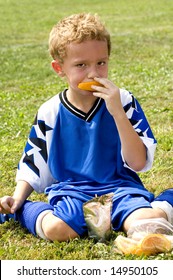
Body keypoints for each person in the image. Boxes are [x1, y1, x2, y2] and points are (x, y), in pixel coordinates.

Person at [0, 13, 173, 251]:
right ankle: (21, 212)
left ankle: (163, 203)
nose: (94, 73)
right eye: (81, 65)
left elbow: (138, 161)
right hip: (72, 191)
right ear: (59, 68)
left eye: (101, 62)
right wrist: (17, 198)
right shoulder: (50, 111)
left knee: (147, 224)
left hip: (121, 187)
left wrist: (117, 113)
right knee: (57, 230)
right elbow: (33, 163)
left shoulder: (123, 101)